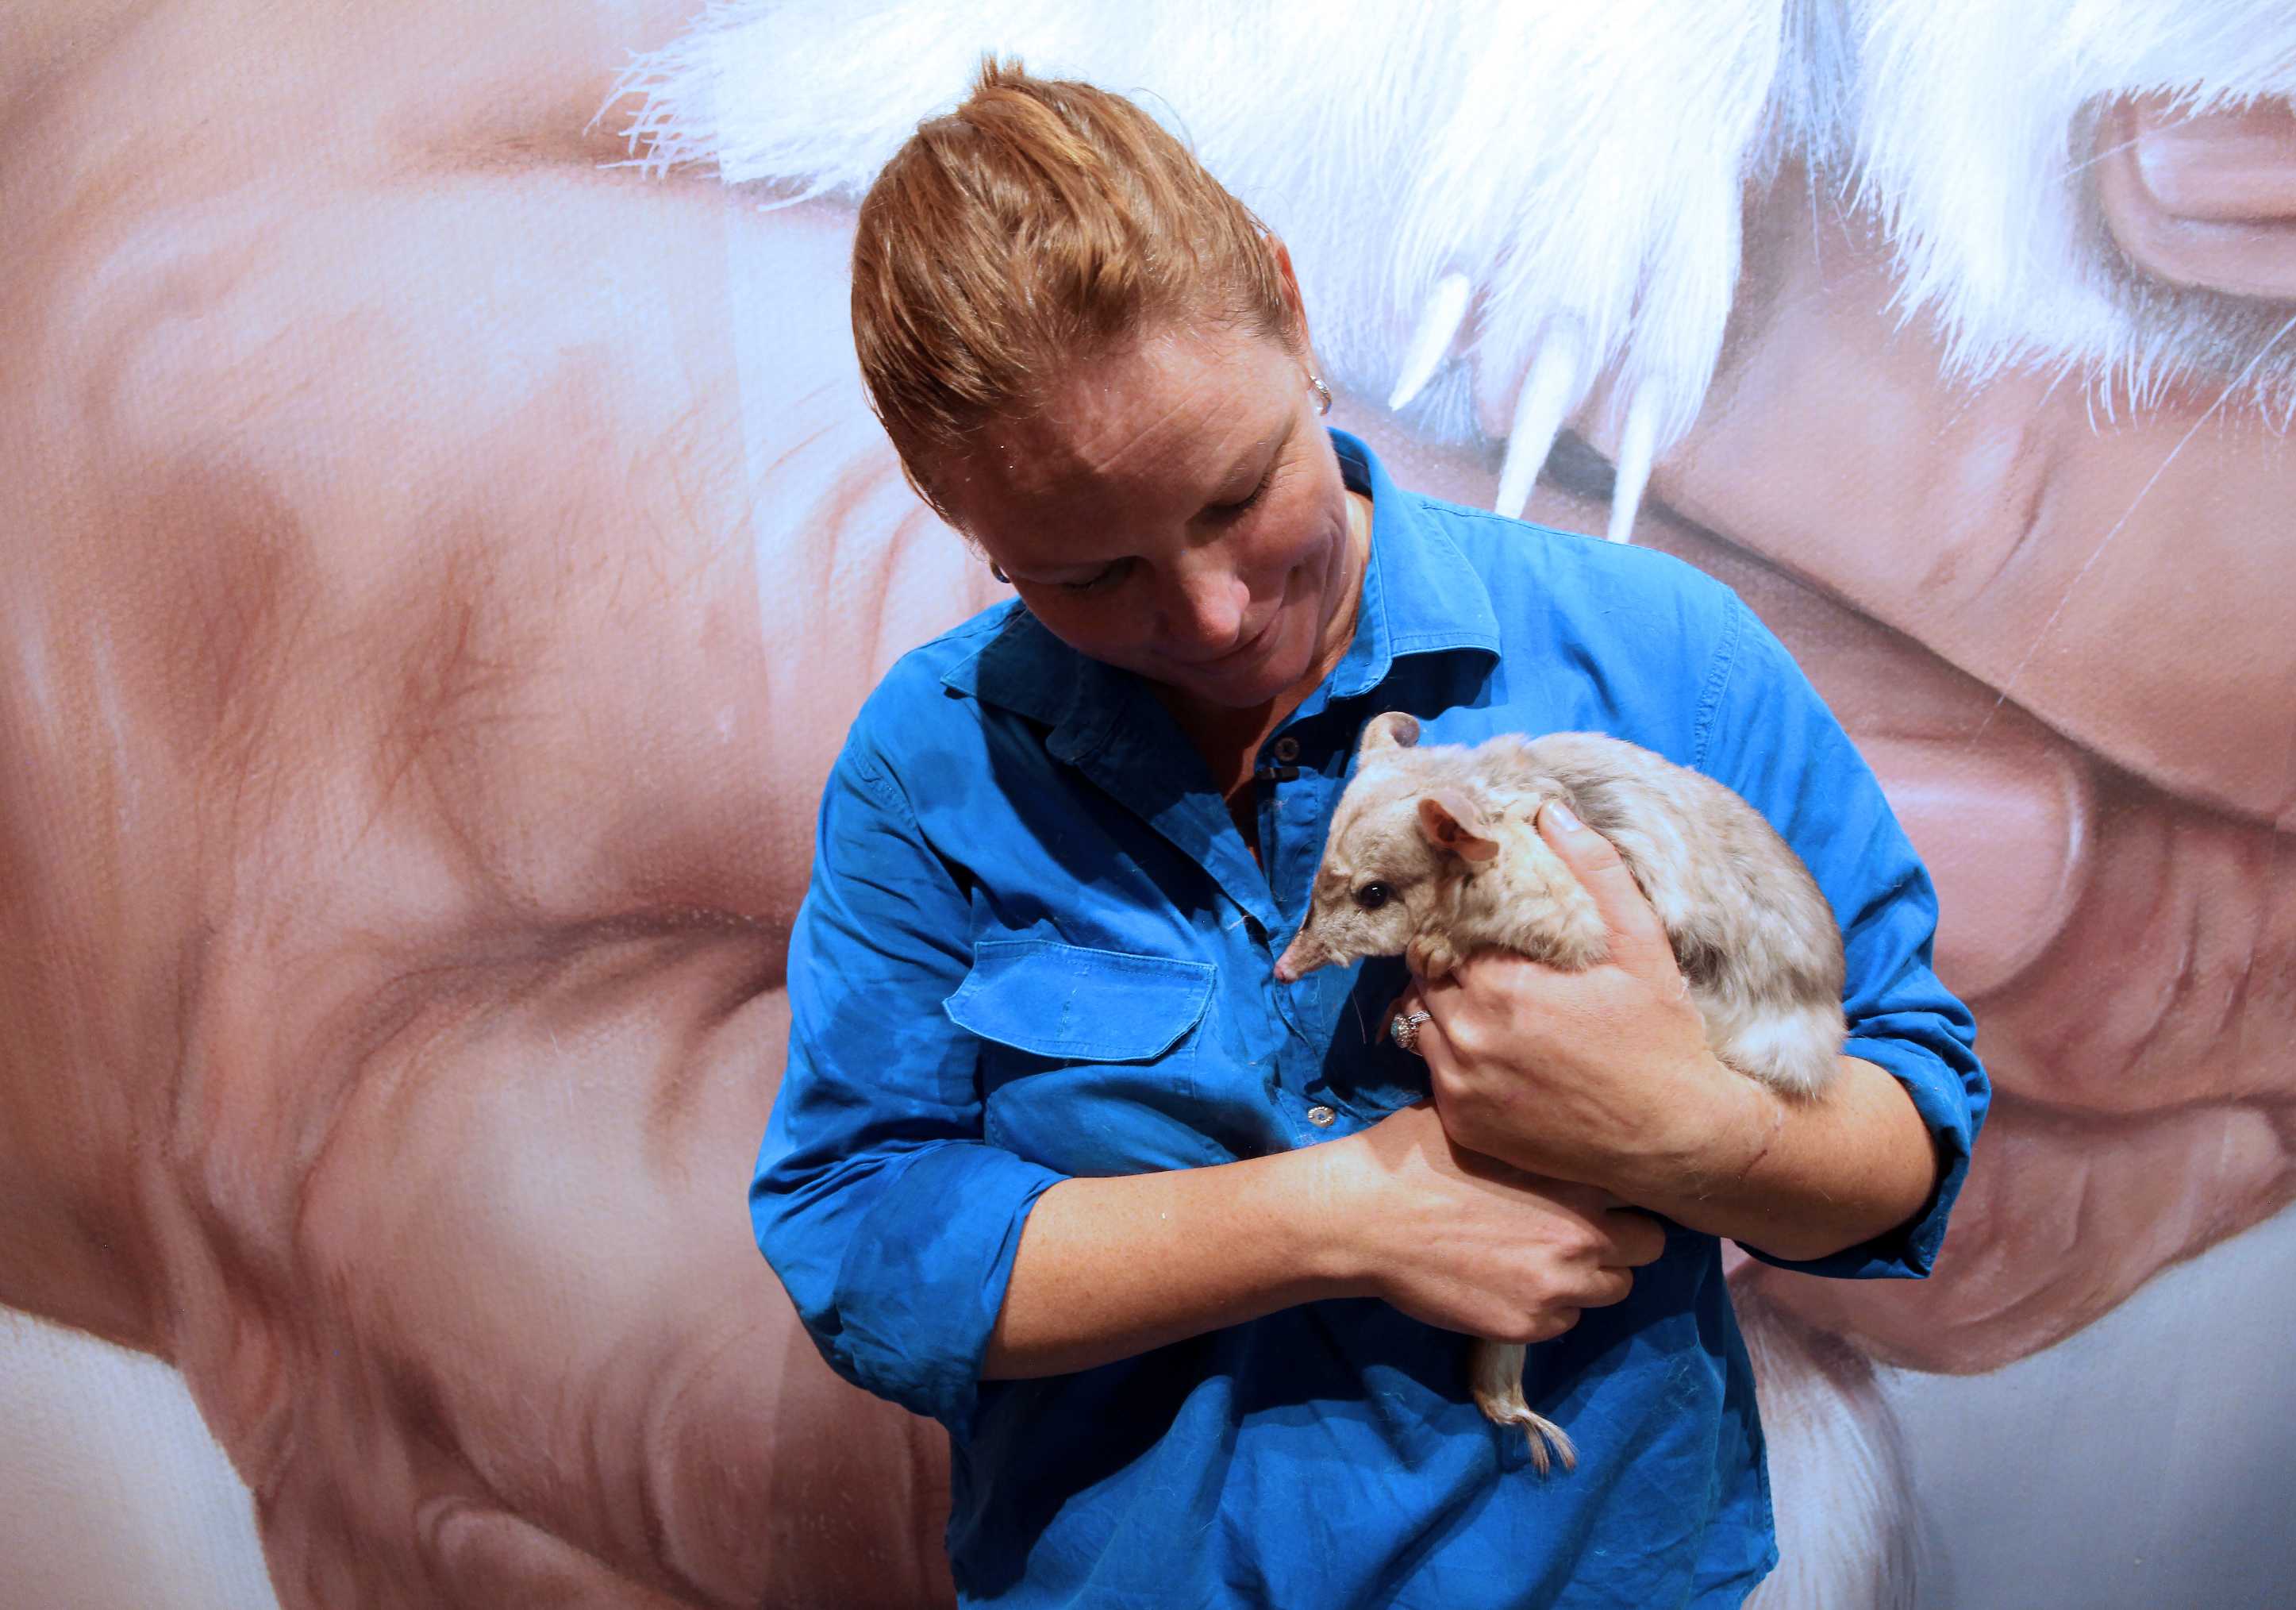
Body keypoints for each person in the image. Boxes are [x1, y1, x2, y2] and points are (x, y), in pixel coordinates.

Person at [757, 60, 1986, 1608]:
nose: (1207, 614)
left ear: (1291, 305)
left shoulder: (1663, 656)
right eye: (1087, 574)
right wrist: (1339, 1214)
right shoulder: (931, 769)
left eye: (1236, 492)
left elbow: (1912, 1120)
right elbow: (858, 1231)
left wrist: (1699, 1127)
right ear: (959, 517)